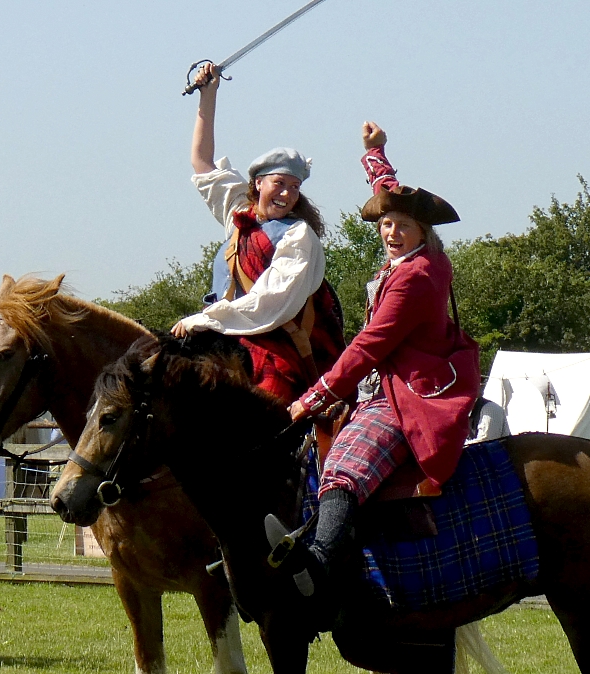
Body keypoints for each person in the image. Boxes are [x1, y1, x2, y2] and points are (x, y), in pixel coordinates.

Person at [286, 122, 481, 620]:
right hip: (386, 382)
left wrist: (312, 396)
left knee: (344, 466)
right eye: (386, 224)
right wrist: (375, 154)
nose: (392, 233)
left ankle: (318, 565)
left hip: (408, 394)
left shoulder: (416, 277)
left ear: (424, 233)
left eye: (403, 226)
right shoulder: (414, 259)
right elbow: (388, 195)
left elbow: (371, 346)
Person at [171, 62, 345, 405]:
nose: (286, 193)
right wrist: (208, 94)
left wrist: (204, 320)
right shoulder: (238, 211)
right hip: (225, 336)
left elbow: (270, 302)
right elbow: (201, 162)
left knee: (263, 411)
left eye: (294, 187)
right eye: (279, 183)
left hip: (276, 347)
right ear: (258, 183)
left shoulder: (298, 236)